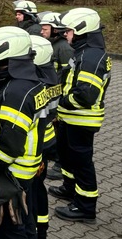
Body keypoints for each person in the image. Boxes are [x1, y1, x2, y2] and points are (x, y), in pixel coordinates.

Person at [0, 26, 47, 239]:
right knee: (25, 219)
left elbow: (10, 144)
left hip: (12, 173)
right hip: (27, 170)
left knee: (11, 230)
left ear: (6, 55)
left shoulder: (15, 91)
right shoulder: (32, 82)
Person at [49, 8, 111, 224]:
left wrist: (61, 102)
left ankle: (85, 207)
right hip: (70, 118)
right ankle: (69, 188)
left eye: (69, 31)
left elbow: (85, 95)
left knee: (82, 163)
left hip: (81, 119)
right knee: (67, 157)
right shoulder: (85, 52)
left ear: (81, 31)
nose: (66, 35)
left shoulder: (91, 57)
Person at [29, 35, 59, 239]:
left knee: (33, 190)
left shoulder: (38, 83)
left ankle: (34, 229)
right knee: (39, 188)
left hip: (35, 146)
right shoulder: (52, 75)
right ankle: (42, 229)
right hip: (47, 142)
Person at [39, 11, 74, 181]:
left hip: (60, 96)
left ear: (55, 30)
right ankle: (56, 157)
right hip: (51, 95)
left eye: (45, 29)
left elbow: (68, 75)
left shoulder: (64, 48)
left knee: (60, 132)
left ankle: (61, 164)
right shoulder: (51, 45)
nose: (41, 32)